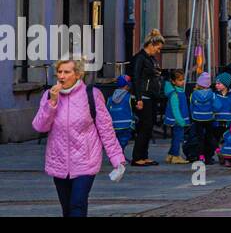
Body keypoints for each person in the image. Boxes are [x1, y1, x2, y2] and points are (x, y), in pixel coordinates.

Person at [32, 58, 127, 217]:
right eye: (59, 72)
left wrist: (117, 159)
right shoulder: (49, 95)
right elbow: (40, 127)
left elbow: (106, 130)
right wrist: (52, 104)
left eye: (67, 72)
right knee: (67, 209)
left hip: (86, 161)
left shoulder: (92, 95)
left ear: (77, 75)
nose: (62, 76)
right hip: (59, 161)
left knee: (77, 204)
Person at [127, 31, 165, 166]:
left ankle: (144, 155)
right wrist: (138, 99)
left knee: (149, 127)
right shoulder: (139, 58)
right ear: (151, 44)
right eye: (158, 48)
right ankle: (137, 157)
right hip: (143, 96)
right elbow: (136, 78)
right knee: (144, 126)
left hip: (151, 96)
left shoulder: (150, 59)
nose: (158, 51)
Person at [162, 70, 190, 164]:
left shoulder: (178, 91)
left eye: (183, 80)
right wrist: (180, 120)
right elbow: (175, 108)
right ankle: (175, 156)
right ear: (173, 81)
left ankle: (171, 155)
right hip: (177, 120)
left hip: (178, 119)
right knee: (178, 137)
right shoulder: (175, 93)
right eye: (180, 80)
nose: (182, 82)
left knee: (176, 137)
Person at [189, 72, 216, 161]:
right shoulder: (212, 94)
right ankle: (208, 156)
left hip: (197, 117)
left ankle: (200, 156)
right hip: (209, 117)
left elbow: (191, 105)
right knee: (209, 137)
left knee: (199, 137)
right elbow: (217, 105)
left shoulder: (194, 93)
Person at [106, 74, 135, 152]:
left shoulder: (110, 99)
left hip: (113, 126)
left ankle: (116, 157)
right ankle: (119, 157)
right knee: (122, 142)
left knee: (115, 143)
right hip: (126, 126)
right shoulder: (130, 97)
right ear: (127, 86)